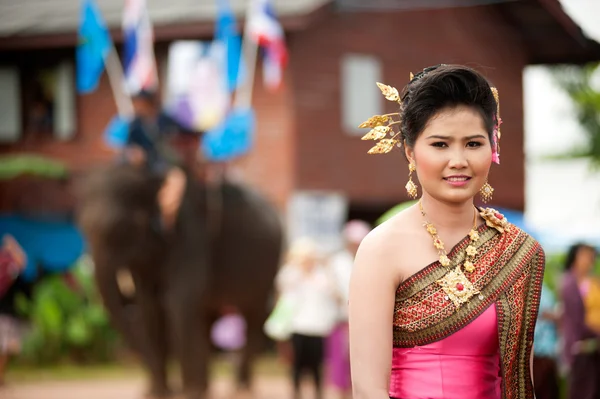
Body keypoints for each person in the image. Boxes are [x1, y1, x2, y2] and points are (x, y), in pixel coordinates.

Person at [348, 64, 545, 399]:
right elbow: (369, 389)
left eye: (473, 144)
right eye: (440, 145)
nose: (458, 160)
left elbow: (518, 382)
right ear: (410, 151)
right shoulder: (381, 249)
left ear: (492, 148)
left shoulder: (519, 251)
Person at [275, 238, 339, 399]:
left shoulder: (322, 276)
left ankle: (318, 393)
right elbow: (282, 287)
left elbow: (334, 294)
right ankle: (296, 393)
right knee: (296, 364)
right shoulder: (291, 274)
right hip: (298, 326)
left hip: (317, 328)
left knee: (316, 365)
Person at [123, 90, 194, 232]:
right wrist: (134, 154)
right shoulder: (135, 124)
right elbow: (129, 146)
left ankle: (168, 222)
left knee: (175, 183)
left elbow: (186, 134)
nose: (137, 107)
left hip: (166, 165)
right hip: (144, 166)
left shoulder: (165, 120)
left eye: (139, 103)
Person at [326, 220, 371, 399]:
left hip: (363, 321)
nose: (355, 245)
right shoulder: (337, 262)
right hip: (341, 320)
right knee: (339, 366)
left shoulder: (369, 260)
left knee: (361, 366)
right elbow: (333, 290)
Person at [560, 243, 599, 399]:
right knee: (582, 391)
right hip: (581, 346)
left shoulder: (594, 282)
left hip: (594, 346)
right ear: (575, 257)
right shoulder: (569, 283)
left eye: (591, 256)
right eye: (585, 255)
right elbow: (576, 319)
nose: (589, 259)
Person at [0, 235, 28, 387]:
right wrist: (13, 246)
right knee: (5, 347)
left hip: (7, 312)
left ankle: (1, 377)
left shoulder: (8, 272)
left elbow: (21, 263)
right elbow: (22, 262)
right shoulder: (7, 271)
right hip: (5, 314)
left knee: (7, 348)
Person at [532, 283, 560, 399]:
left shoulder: (546, 291)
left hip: (547, 350)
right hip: (535, 351)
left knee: (548, 390)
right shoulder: (527, 289)